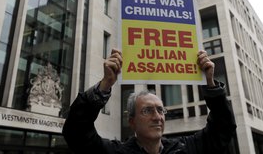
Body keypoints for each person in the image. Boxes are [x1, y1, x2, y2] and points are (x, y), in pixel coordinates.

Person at [62, 49, 236, 154]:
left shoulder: (183, 149)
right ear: (132, 121)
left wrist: (211, 85)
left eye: (160, 110)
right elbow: (76, 133)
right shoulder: (115, 152)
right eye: (147, 110)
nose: (157, 117)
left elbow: (222, 130)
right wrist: (104, 86)